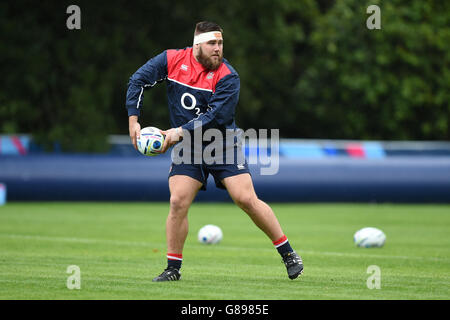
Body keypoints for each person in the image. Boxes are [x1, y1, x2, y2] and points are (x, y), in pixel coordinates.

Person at [126, 21, 303, 281]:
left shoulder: (228, 76)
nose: (218, 49)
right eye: (212, 43)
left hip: (222, 142)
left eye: (220, 43)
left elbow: (216, 116)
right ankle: (172, 269)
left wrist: (178, 132)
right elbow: (138, 80)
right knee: (177, 201)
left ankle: (288, 253)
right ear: (198, 44)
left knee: (244, 198)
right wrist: (133, 120)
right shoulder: (172, 59)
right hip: (188, 147)